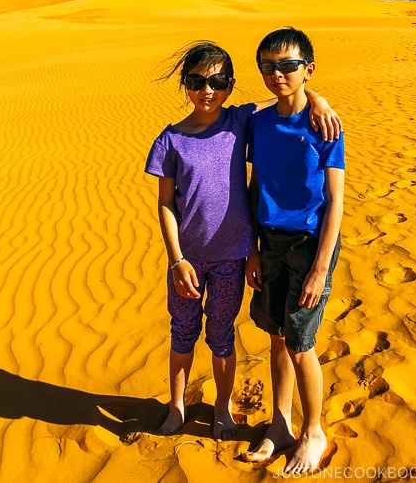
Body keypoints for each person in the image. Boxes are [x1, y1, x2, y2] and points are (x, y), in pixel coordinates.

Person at [144, 41, 342, 443]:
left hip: (233, 259)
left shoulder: (240, 121)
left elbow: (293, 96)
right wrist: (176, 258)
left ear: (231, 85)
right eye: (197, 81)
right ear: (185, 85)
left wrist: (319, 99)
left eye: (218, 80)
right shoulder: (171, 140)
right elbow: (165, 203)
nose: (207, 90)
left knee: (221, 336)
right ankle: (177, 406)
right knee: (182, 331)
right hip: (192, 260)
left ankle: (223, 407)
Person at [241, 27, 345, 472]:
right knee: (276, 337)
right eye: (268, 66)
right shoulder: (257, 122)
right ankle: (280, 425)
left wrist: (321, 267)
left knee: (301, 342)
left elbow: (337, 199)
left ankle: (314, 432)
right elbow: (253, 186)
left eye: (287, 65)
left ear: (308, 69)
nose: (277, 74)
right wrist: (250, 249)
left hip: (310, 244)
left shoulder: (325, 124)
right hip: (268, 240)